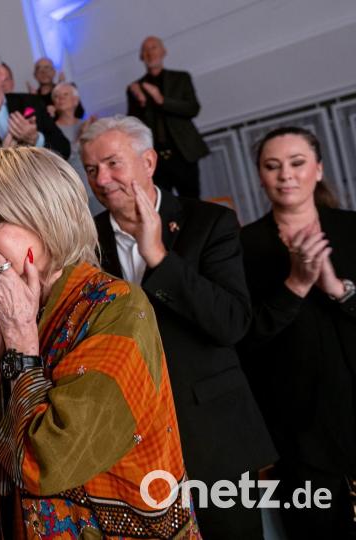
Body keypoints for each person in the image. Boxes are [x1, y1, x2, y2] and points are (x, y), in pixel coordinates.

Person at [0, 146, 198, 539]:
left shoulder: (115, 306)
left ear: (46, 220)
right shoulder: (0, 312)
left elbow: (47, 462)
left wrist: (21, 338)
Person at [81, 116, 276, 538]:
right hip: (128, 443)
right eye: (92, 169)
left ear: (148, 161)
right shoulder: (84, 243)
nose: (102, 179)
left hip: (212, 436)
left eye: (113, 163)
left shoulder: (209, 224)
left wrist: (159, 259)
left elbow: (231, 324)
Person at [239, 126, 356, 538]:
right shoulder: (241, 246)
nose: (285, 175)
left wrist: (338, 290)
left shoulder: (351, 229)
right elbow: (244, 340)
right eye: (272, 166)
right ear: (260, 176)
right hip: (295, 428)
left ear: (318, 170)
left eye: (297, 163)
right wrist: (297, 285)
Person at [127, 36, 209, 199]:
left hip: (183, 152)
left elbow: (193, 108)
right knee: (163, 203)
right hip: (154, 156)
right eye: (146, 49)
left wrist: (161, 100)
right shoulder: (135, 88)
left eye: (154, 47)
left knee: (192, 201)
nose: (150, 53)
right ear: (141, 56)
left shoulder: (181, 78)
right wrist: (141, 101)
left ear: (164, 51)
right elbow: (133, 126)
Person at [52, 82, 103, 215]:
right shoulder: (51, 131)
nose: (60, 98)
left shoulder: (88, 125)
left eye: (65, 94)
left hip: (97, 188)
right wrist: (81, 137)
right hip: (72, 197)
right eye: (56, 96)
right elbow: (58, 162)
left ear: (76, 100)